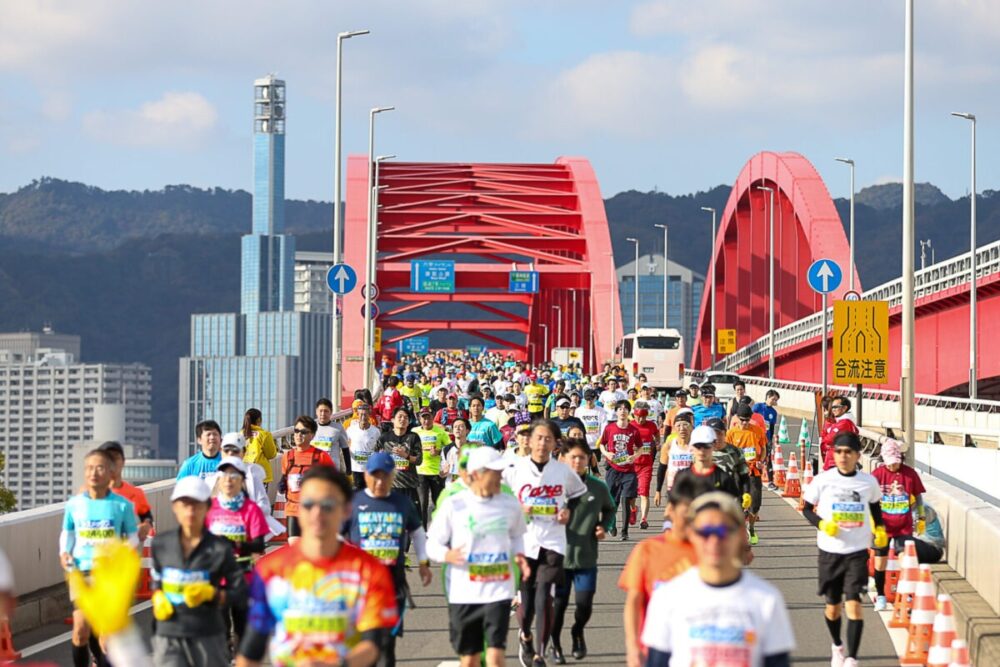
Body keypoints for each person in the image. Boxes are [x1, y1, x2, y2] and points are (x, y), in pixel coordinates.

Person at [236, 466, 399, 667]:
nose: (317, 513)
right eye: (308, 504)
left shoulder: (368, 570)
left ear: (347, 510)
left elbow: (373, 647)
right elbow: (251, 650)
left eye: (328, 505)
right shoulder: (271, 570)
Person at [642, 492, 795, 667]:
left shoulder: (766, 599)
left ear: (739, 536)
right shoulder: (668, 597)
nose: (714, 541)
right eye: (705, 532)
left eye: (723, 531)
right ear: (691, 534)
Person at [427, 447, 530, 667]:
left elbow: (518, 536)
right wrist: (447, 554)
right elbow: (431, 544)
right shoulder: (455, 505)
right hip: (465, 592)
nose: (500, 477)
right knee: (470, 660)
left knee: (495, 656)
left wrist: (520, 556)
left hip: (499, 589)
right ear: (476, 474)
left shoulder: (509, 503)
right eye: (495, 472)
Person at [503, 419, 588, 667]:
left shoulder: (563, 472)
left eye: (548, 439)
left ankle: (539, 653)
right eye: (538, 437)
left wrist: (568, 511)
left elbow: (577, 495)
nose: (542, 443)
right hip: (524, 540)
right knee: (527, 602)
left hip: (553, 540)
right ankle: (526, 636)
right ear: (528, 441)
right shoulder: (514, 470)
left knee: (544, 595)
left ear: (555, 444)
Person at [801, 432, 887, 667]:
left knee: (854, 605)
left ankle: (852, 658)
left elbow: (875, 508)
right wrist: (821, 523)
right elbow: (806, 508)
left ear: (857, 455)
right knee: (832, 608)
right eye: (838, 451)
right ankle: (837, 645)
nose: (842, 456)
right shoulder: (823, 480)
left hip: (857, 552)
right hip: (829, 552)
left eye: (848, 452)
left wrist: (879, 529)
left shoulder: (868, 482)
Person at [343, 452, 432, 667]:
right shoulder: (354, 503)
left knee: (386, 644)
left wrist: (423, 563)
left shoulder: (402, 503)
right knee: (364, 642)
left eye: (385, 476)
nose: (380, 481)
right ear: (366, 475)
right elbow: (337, 537)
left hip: (392, 581)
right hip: (360, 584)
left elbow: (418, 532)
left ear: (393, 476)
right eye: (375, 475)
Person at [151, 476, 245, 667]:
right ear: (174, 507)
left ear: (207, 507)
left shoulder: (220, 548)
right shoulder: (161, 544)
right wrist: (158, 595)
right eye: (184, 504)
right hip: (169, 634)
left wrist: (215, 594)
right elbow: (157, 579)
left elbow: (240, 590)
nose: (190, 510)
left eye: (197, 504)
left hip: (207, 634)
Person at [60, 448, 140, 667]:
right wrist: (64, 552)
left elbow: (133, 539)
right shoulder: (74, 505)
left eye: (100, 467)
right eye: (89, 468)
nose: (93, 472)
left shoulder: (122, 506)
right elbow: (67, 534)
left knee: (105, 636)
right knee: (80, 631)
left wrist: (118, 552)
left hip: (109, 575)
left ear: (111, 473)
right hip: (81, 573)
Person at [620, 475, 704, 667]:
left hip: (698, 650)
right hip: (655, 648)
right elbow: (634, 601)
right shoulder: (648, 550)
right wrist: (633, 647)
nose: (692, 521)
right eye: (686, 514)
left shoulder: (709, 553)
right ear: (670, 511)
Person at [550, 439, 614, 664]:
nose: (577, 461)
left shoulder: (597, 487)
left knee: (584, 605)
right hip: (558, 559)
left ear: (589, 460)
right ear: (563, 460)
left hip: (586, 557)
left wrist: (603, 527)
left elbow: (610, 510)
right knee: (558, 607)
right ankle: (555, 644)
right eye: (573, 457)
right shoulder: (553, 487)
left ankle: (577, 632)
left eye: (582, 457)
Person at [206, 457, 268, 651]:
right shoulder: (210, 508)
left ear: (242, 480)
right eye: (224, 474)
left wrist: (235, 544)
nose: (228, 479)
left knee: (241, 626)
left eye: (234, 475)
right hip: (217, 577)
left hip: (243, 577)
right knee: (220, 626)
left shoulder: (251, 509)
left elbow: (258, 545)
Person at [871, 438, 926, 611]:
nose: (892, 466)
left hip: (903, 525)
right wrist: (872, 522)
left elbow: (918, 496)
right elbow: (869, 499)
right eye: (889, 463)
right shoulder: (877, 475)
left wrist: (921, 517)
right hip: (882, 526)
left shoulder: (909, 474)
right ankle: (881, 596)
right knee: (880, 563)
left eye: (895, 463)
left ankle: (908, 597)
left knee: (906, 562)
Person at [279, 415, 335, 544]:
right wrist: (282, 483)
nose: (299, 435)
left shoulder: (321, 456)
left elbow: (333, 482)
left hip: (314, 510)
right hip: (293, 509)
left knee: (313, 546)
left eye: (304, 432)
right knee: (294, 545)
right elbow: (285, 476)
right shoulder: (287, 456)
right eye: (296, 431)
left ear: (312, 435)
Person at [598, 400, 641, 540]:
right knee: (613, 501)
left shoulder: (634, 430)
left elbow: (641, 448)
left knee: (626, 499)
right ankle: (612, 524)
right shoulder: (610, 428)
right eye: (620, 409)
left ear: (629, 412)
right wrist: (607, 454)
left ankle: (625, 532)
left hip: (628, 470)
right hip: (613, 469)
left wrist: (634, 456)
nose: (623, 411)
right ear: (616, 412)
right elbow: (602, 445)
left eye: (625, 409)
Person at [98, 440, 154, 542]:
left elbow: (147, 517)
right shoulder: (94, 495)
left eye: (116, 457)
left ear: (123, 462)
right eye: (108, 458)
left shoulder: (136, 493)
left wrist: (145, 526)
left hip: (127, 554)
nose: (112, 462)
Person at [672, 425, 741, 499]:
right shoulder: (682, 477)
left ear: (714, 445)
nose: (702, 451)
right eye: (698, 446)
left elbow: (731, 507)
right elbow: (673, 506)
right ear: (691, 447)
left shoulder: (724, 478)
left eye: (706, 446)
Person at [376, 406, 424, 511]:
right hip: (390, 486)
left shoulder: (413, 437)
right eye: (400, 417)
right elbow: (375, 460)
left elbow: (419, 460)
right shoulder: (384, 438)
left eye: (406, 417)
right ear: (392, 420)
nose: (403, 419)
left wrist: (405, 456)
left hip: (409, 486)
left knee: (413, 521)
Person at [414, 406, 451, 527]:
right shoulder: (414, 432)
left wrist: (438, 452)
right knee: (422, 503)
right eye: (423, 418)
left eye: (428, 417)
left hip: (437, 473)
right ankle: (422, 532)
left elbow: (450, 449)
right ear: (419, 419)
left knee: (439, 503)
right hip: (420, 472)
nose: (426, 421)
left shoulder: (440, 432)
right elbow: (408, 449)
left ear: (433, 417)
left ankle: (442, 530)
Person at [654, 410, 694, 507]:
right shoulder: (668, 445)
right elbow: (662, 468)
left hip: (692, 488)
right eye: (678, 425)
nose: (682, 428)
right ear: (674, 428)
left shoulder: (697, 446)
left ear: (691, 427)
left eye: (685, 425)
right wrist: (658, 491)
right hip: (673, 488)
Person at [630, 401, 659, 530]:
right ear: (634, 415)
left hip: (646, 465)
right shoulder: (630, 426)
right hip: (631, 465)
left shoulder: (651, 425)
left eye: (643, 416)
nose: (641, 419)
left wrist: (657, 442)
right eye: (638, 416)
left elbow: (657, 434)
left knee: (644, 492)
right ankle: (633, 509)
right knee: (631, 494)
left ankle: (643, 519)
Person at [347, 402, 382, 489]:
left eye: (365, 414)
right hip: (356, 468)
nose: (363, 417)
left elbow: (379, 449)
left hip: (370, 469)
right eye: (361, 414)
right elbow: (345, 445)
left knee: (370, 493)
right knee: (357, 495)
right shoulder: (351, 430)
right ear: (357, 415)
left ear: (369, 415)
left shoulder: (376, 431)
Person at [240, 408, 278, 486]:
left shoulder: (240, 434)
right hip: (260, 473)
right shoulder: (264, 434)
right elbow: (271, 454)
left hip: (243, 473)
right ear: (259, 420)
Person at [821, 396, 859, 470]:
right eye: (832, 407)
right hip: (837, 460)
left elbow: (828, 439)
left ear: (844, 408)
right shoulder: (842, 421)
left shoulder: (844, 423)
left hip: (836, 462)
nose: (833, 410)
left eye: (836, 407)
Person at [314, 398, 350, 472]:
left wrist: (348, 468)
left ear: (331, 412)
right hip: (315, 470)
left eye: (326, 411)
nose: (323, 414)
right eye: (320, 411)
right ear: (316, 412)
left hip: (332, 470)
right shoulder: (311, 428)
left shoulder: (338, 428)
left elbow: (345, 449)